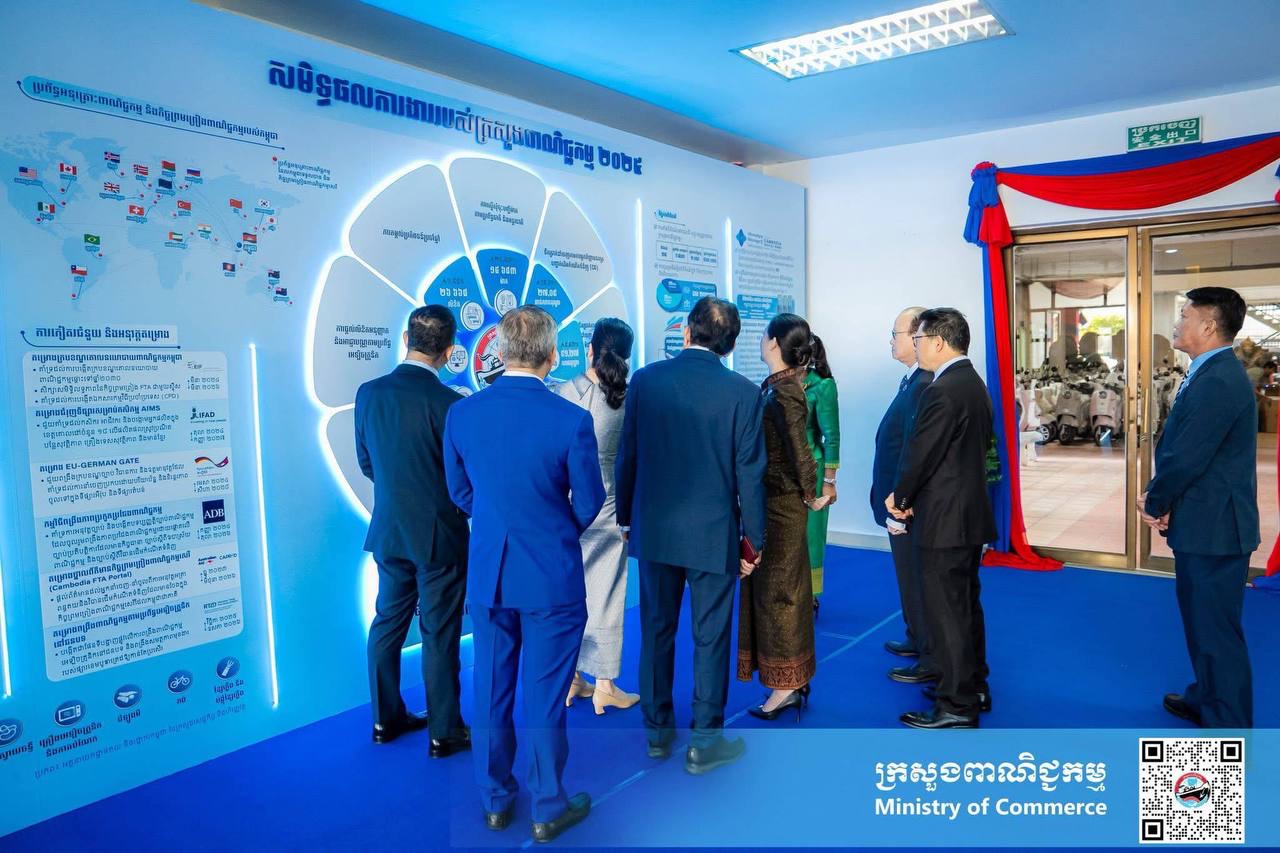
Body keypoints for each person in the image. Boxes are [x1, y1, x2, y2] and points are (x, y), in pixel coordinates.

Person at [443, 306, 606, 841]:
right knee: (543, 694)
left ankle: (494, 800)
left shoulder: (462, 414)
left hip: (489, 573)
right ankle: (547, 807)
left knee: (490, 687)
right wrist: (553, 528)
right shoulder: (570, 419)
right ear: (553, 355)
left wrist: (501, 523)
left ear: (500, 351)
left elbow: (461, 493)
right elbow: (590, 501)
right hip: (551, 577)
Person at [616, 296, 766, 775]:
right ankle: (704, 742)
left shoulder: (646, 380)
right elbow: (750, 474)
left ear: (686, 330)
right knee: (711, 637)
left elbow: (628, 455)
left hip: (655, 529)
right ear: (731, 344)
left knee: (656, 631)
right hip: (712, 534)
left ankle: (657, 734)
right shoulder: (743, 393)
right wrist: (753, 541)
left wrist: (626, 518)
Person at [1139, 287, 1258, 729]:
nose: (1177, 323)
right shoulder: (1209, 372)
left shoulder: (1219, 380)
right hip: (1204, 520)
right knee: (1201, 623)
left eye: (1184, 315)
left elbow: (1186, 456)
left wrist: (1156, 500)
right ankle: (1207, 698)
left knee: (1215, 631)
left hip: (1216, 528)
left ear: (1208, 325)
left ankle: (1228, 727)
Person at [354, 304, 469, 756]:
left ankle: (384, 720)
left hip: (389, 530)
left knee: (387, 623)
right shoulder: (451, 405)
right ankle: (445, 732)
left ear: (406, 339)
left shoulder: (369, 393)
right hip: (440, 534)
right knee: (439, 632)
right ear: (450, 351)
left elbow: (367, 463)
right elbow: (462, 479)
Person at [887, 307, 996, 729]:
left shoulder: (943, 389)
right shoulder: (971, 382)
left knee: (947, 613)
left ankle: (956, 705)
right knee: (964, 608)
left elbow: (921, 455)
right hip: (966, 516)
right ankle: (973, 685)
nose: (915, 346)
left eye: (918, 339)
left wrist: (901, 498)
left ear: (937, 342)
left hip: (944, 519)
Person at [738, 314, 830, 721]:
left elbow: (800, 449)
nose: (760, 340)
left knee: (781, 596)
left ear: (774, 343)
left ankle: (786, 686)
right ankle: (789, 681)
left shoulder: (786, 390)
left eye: (763, 335)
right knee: (777, 593)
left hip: (782, 507)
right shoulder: (780, 385)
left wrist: (812, 494)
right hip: (774, 503)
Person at [555, 318, 640, 714]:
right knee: (606, 593)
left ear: (589, 349)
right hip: (609, 508)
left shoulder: (562, 392)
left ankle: (572, 677)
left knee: (567, 593)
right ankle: (605, 684)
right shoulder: (628, 398)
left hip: (565, 506)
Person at [872, 307, 938, 685]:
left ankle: (929, 654)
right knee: (907, 577)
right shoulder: (912, 380)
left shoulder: (925, 383)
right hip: (897, 501)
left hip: (906, 506)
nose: (891, 341)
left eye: (895, 333)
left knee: (917, 579)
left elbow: (914, 451)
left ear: (917, 338)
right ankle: (917, 638)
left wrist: (902, 502)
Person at [803, 335, 841, 615]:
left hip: (811, 470)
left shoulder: (822, 385)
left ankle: (811, 594)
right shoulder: (777, 382)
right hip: (779, 469)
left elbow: (832, 436)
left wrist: (829, 481)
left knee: (812, 535)